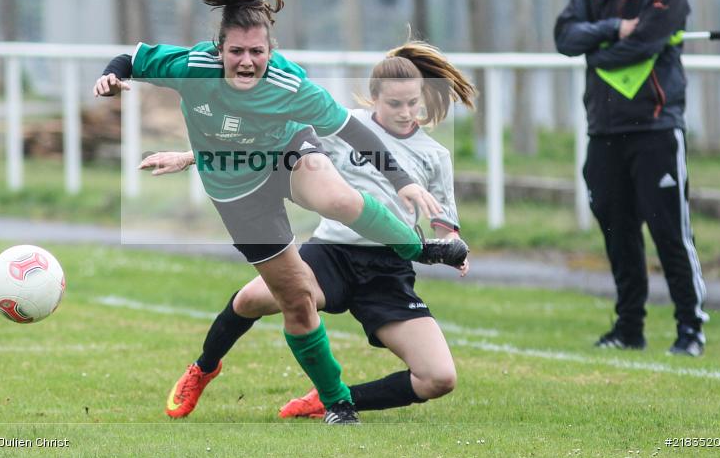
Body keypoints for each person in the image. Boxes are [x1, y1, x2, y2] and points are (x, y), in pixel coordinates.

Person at [94, 0, 466, 423]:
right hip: (235, 191)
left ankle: (422, 250)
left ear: (272, 49)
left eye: (258, 52)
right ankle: (314, 396)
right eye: (237, 52)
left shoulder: (289, 84)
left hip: (286, 154)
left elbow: (351, 132)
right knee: (295, 305)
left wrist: (402, 182)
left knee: (338, 199)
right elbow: (129, 58)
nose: (247, 61)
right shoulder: (191, 67)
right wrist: (111, 78)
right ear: (218, 49)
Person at [144, 41, 476, 420]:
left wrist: (452, 245)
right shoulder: (344, 127)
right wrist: (189, 156)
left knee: (439, 378)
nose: (405, 113)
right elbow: (262, 142)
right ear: (373, 98)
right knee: (250, 300)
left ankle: (333, 398)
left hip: (388, 270)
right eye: (394, 104)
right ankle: (202, 368)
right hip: (330, 254)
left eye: (412, 103)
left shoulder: (435, 155)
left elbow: (444, 222)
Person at [554, 0, 707, 356]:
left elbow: (644, 45)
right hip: (603, 132)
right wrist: (615, 26)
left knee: (669, 233)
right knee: (618, 233)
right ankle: (629, 329)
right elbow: (564, 37)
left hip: (656, 129)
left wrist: (598, 45)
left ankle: (690, 330)